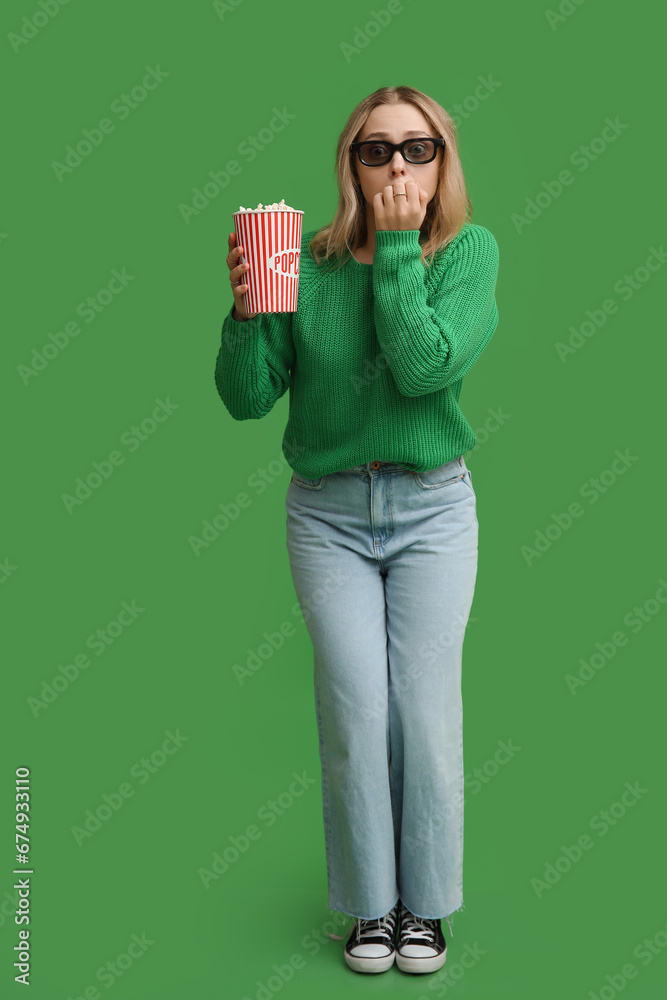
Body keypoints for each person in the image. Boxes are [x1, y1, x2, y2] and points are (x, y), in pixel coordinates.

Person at [215, 84, 499, 976]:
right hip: (328, 515)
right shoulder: (307, 261)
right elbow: (246, 399)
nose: (397, 166)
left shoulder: (465, 255)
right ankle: (372, 910)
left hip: (430, 510)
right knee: (353, 712)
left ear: (441, 161)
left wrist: (401, 249)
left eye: (417, 149)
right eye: (375, 150)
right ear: (349, 163)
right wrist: (249, 307)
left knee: (423, 714)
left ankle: (427, 910)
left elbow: (420, 370)